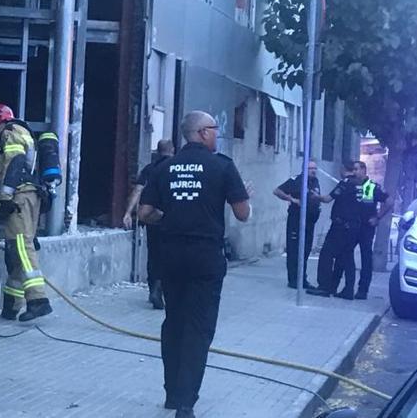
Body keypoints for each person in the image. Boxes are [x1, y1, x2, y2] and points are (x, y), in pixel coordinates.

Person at [138, 111, 251, 418]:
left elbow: (145, 212)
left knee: (173, 322)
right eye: (215, 129)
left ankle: (172, 394)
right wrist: (245, 197)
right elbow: (242, 214)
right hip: (205, 258)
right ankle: (186, 403)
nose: (217, 134)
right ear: (202, 132)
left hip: (170, 255)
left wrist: (169, 217)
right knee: (198, 328)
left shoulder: (165, 167)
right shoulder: (222, 167)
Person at [0, 103, 52, 322]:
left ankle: (38, 300)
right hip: (29, 195)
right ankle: (12, 305)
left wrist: (6, 198)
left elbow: (14, 164)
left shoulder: (9, 134)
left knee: (21, 245)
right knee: (15, 250)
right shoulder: (22, 132)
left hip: (20, 195)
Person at [123, 139, 175, 309]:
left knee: (153, 255)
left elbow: (137, 190)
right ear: (172, 150)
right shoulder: (176, 167)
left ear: (157, 151)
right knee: (170, 255)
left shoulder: (150, 169)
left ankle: (153, 287)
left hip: (151, 219)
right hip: (172, 219)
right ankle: (162, 289)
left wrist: (127, 213)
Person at [307, 162, 361, 299]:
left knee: (326, 254)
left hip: (340, 227)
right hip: (354, 227)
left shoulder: (345, 183)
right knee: (348, 258)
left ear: (343, 169)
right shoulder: (360, 184)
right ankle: (349, 290)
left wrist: (315, 196)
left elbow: (327, 199)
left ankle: (324, 287)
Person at [274, 160, 321, 289]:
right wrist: (292, 199)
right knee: (294, 250)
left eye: (315, 168)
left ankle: (302, 278)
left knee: (305, 251)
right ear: (304, 169)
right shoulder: (296, 180)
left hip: (309, 222)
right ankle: (293, 280)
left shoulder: (315, 181)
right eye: (311, 168)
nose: (313, 171)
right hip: (296, 221)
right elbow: (277, 191)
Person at [351, 161, 393, 299]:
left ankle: (363, 290)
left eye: (356, 169)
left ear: (364, 170)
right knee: (344, 255)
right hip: (351, 226)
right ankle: (345, 287)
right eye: (353, 169)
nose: (354, 172)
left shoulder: (372, 187)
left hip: (365, 228)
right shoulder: (352, 184)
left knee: (365, 259)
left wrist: (378, 217)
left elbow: (389, 202)